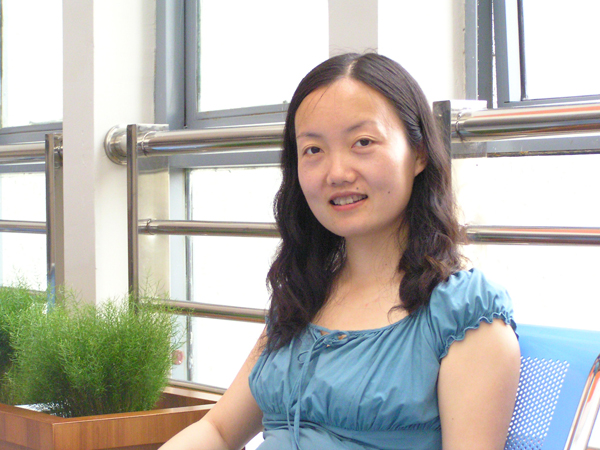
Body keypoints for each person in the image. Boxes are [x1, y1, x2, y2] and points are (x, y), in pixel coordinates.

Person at [159, 53, 520, 450]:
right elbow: (219, 430)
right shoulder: (303, 296)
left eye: (362, 143)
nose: (337, 173)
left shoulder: (464, 312)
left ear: (418, 153)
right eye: (313, 150)